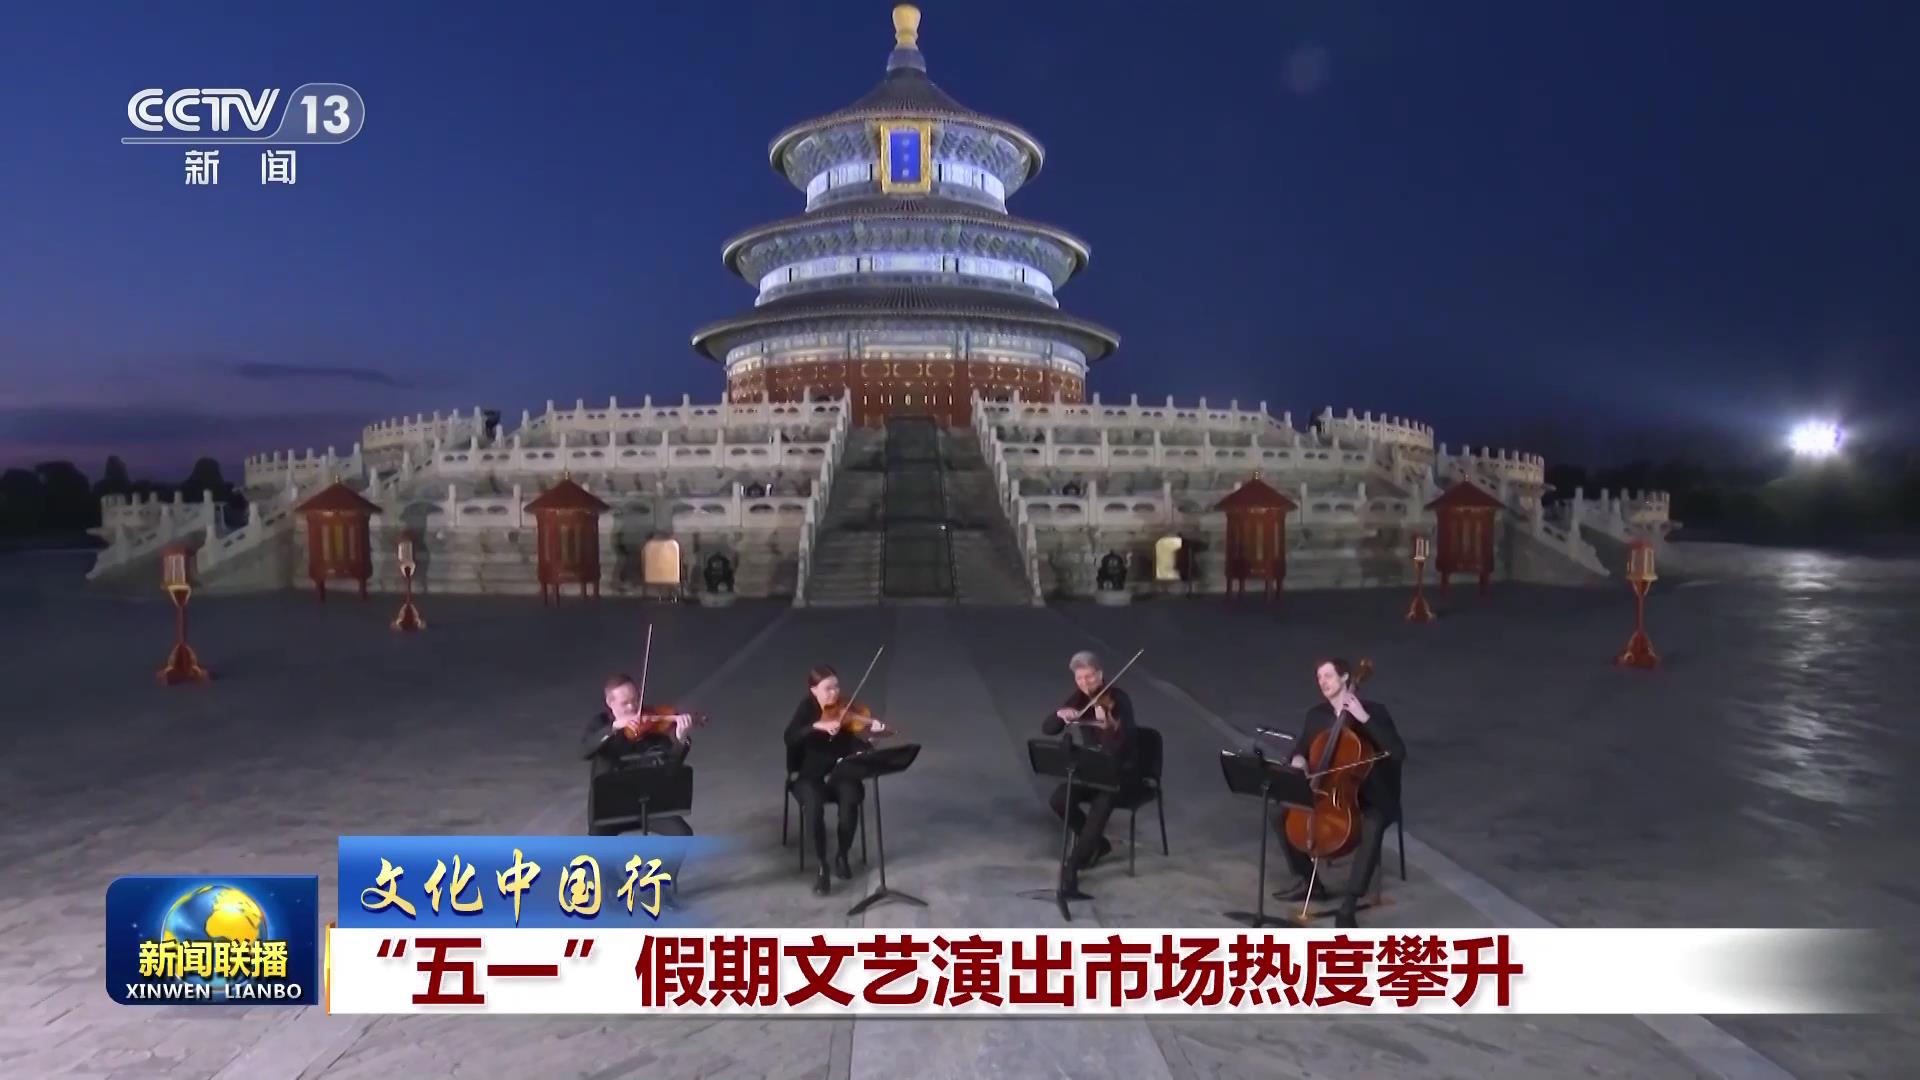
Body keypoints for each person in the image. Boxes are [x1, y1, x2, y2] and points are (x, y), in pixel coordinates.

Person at [1275, 658, 1405, 927]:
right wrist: (1298, 760)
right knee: (1278, 814)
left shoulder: (1373, 711)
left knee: (1372, 825)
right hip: (1329, 789)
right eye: (1319, 677)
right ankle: (1308, 879)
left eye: (1328, 676)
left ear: (1345, 678)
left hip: (1371, 794)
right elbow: (1300, 749)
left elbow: (1397, 752)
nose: (1322, 682)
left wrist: (1363, 717)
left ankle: (1349, 905)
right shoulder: (1317, 715)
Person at [785, 665, 890, 895]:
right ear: (814, 690)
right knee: (814, 804)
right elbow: (790, 737)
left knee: (852, 794)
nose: (835, 693)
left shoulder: (843, 711)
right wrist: (817, 725)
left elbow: (855, 744)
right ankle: (822, 865)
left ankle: (842, 854)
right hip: (808, 777)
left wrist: (872, 736)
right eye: (828, 688)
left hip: (838, 775)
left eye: (837, 687)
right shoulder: (807, 710)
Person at [1041, 651, 1140, 892]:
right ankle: (1098, 844)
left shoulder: (1119, 700)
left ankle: (1073, 865)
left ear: (1100, 674)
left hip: (1122, 772)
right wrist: (1059, 715)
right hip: (1092, 770)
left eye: (1090, 677)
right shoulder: (1079, 699)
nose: (1085, 683)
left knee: (1101, 805)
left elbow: (1121, 745)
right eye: (1080, 678)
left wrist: (1106, 726)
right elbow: (1048, 729)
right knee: (1059, 799)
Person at [581, 674, 696, 836]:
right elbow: (584, 751)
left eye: (635, 700)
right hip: (609, 807)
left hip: (647, 803)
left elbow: (671, 762)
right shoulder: (600, 723)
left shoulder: (650, 725)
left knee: (682, 834)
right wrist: (613, 728)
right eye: (625, 703)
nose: (632, 707)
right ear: (610, 703)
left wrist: (680, 739)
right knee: (597, 848)